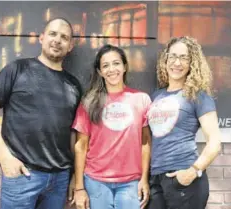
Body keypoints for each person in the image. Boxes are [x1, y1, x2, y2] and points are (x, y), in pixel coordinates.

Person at [0, 18, 82, 209]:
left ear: (70, 46)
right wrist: (4, 157)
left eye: (64, 37)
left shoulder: (74, 85)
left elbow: (73, 135)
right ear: (41, 38)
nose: (57, 40)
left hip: (59, 180)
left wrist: (74, 175)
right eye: (52, 34)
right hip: (23, 176)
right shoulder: (17, 69)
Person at [72, 44, 152, 209]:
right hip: (96, 181)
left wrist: (144, 178)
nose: (111, 69)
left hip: (131, 182)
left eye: (116, 63)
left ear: (124, 67)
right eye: (105, 65)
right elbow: (81, 146)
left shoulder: (141, 99)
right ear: (100, 72)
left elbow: (145, 143)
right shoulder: (89, 102)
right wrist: (79, 187)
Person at [146, 36, 221, 209]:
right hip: (156, 178)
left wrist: (194, 170)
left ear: (192, 63)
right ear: (165, 60)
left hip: (184, 177)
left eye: (183, 57)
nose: (177, 63)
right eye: (172, 56)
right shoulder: (156, 96)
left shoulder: (198, 96)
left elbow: (215, 141)